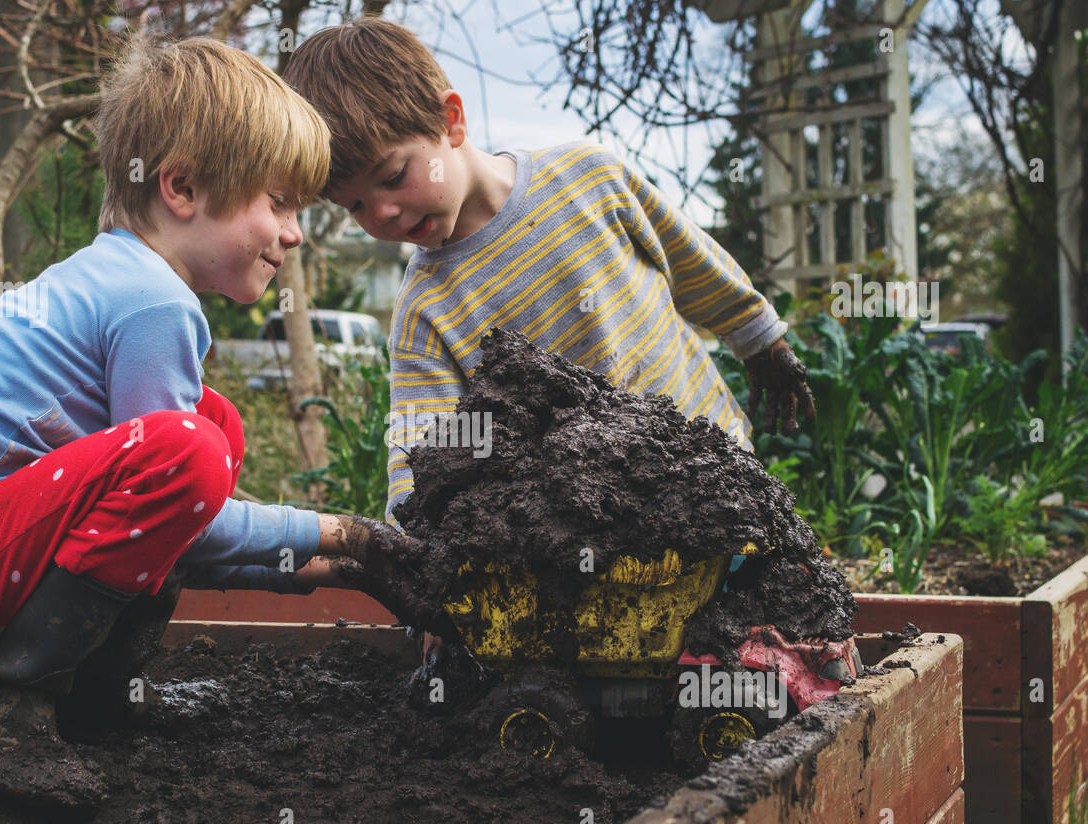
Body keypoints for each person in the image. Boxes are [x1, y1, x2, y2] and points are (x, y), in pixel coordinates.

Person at [0, 33, 413, 812]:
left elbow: (170, 534)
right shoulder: (151, 301)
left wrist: (334, 569)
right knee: (189, 454)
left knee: (210, 427)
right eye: (277, 203)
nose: (294, 233)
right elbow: (196, 518)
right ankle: (4, 714)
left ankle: (94, 699)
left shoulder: (117, 278)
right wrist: (344, 538)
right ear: (180, 187)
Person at [283, 17, 817, 663]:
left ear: (451, 121)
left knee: (768, 623)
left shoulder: (589, 179)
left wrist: (760, 339)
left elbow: (690, 259)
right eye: (354, 207)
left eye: (392, 177)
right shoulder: (427, 308)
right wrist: (420, 555)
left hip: (715, 475)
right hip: (596, 532)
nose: (384, 216)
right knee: (644, 655)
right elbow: (420, 440)